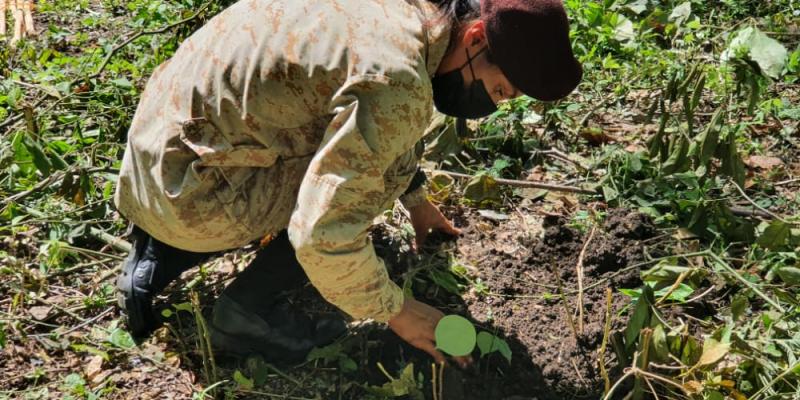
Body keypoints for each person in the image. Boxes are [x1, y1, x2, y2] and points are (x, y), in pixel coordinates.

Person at [114, 0, 581, 366]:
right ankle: (244, 314)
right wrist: (398, 311)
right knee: (359, 191)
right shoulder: (398, 78)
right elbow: (324, 234)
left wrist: (416, 200)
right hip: (191, 192)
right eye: (498, 89)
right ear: (477, 35)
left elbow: (352, 109)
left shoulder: (406, 14)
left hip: (156, 159)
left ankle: (158, 256)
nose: (491, 104)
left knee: (363, 156)